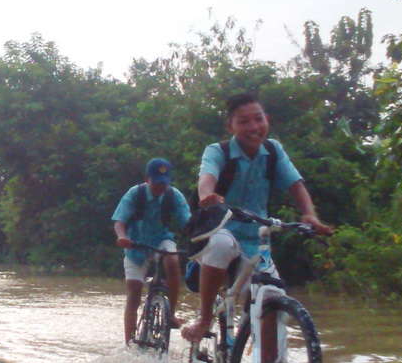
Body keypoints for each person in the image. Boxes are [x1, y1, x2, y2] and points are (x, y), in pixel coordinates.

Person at [181, 93, 333, 345]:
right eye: (243, 121)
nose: (253, 127)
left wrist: (309, 214)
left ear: (267, 120)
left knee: (274, 300)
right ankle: (205, 318)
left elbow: (295, 185)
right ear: (231, 126)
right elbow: (207, 178)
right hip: (221, 228)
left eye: (258, 119)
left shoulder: (273, 151)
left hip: (257, 238)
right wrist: (207, 195)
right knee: (222, 245)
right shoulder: (218, 151)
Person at [112, 158, 191, 345]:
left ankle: (170, 313)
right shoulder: (135, 193)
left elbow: (188, 223)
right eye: (156, 183)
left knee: (172, 261)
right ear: (148, 179)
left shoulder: (174, 196)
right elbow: (119, 222)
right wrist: (122, 237)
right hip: (135, 244)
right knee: (134, 292)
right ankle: (129, 343)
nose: (160, 188)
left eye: (163, 184)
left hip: (161, 239)